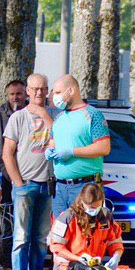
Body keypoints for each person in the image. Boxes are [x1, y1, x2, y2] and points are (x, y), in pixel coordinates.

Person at [2, 73, 54, 270]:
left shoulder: (55, 116)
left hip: (47, 186)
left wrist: (45, 115)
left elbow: (60, 140)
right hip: (26, 184)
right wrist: (18, 183)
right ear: (28, 92)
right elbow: (7, 154)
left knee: (41, 239)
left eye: (44, 89)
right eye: (35, 89)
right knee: (21, 237)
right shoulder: (18, 118)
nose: (40, 93)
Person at [47, 75, 111, 212]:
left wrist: (72, 152)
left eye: (58, 93)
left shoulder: (93, 115)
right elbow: (52, 143)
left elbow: (104, 148)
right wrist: (51, 151)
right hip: (59, 187)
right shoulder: (59, 118)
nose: (54, 97)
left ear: (70, 90)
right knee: (61, 232)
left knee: (84, 230)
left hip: (85, 186)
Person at [47, 182, 124, 270]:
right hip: (66, 269)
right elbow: (57, 247)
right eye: (92, 207)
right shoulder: (67, 218)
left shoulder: (105, 216)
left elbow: (115, 242)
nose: (95, 210)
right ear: (82, 202)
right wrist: (78, 258)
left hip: (94, 269)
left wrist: (116, 256)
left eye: (98, 206)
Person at [0, 79, 27, 205]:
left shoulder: (32, 112)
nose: (15, 97)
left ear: (26, 94)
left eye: (19, 93)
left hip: (27, 168)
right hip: (4, 170)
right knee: (6, 206)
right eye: (12, 94)